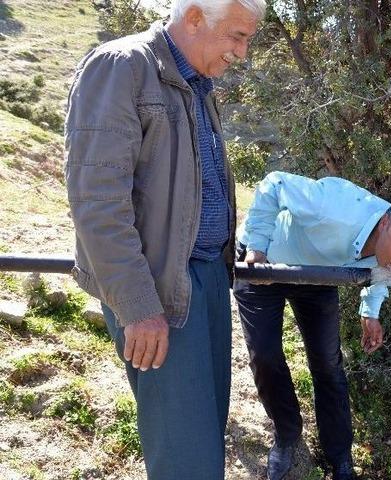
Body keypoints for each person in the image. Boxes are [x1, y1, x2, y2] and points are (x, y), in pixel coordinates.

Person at [64, 0, 265, 477]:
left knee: (204, 438)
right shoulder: (122, 66)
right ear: (194, 17)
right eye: (236, 36)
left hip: (208, 280)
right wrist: (138, 306)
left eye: (247, 40)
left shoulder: (198, 84)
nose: (242, 52)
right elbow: (96, 200)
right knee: (186, 458)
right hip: (159, 293)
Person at [234, 171, 391, 480]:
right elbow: (274, 183)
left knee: (329, 365)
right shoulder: (333, 208)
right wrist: (258, 248)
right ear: (385, 223)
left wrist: (370, 311)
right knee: (265, 356)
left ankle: (339, 454)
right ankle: (287, 435)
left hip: (318, 276)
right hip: (263, 263)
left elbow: (385, 269)